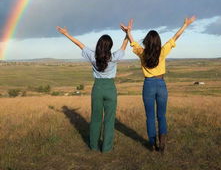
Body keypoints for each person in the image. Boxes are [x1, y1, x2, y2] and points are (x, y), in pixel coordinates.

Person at [120, 17, 196, 153]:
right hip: (161, 84)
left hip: (148, 84)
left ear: (147, 42)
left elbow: (133, 43)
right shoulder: (163, 51)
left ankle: (151, 143)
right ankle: (162, 142)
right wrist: (185, 25)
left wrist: (128, 32)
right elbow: (175, 37)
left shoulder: (142, 53)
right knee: (161, 115)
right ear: (158, 42)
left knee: (150, 116)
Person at [56, 24, 131, 152]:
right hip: (110, 89)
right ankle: (107, 148)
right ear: (110, 46)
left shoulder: (92, 56)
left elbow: (79, 44)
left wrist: (66, 34)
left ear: (99, 45)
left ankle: (94, 146)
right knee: (109, 119)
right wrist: (127, 33)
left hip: (97, 88)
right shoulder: (114, 57)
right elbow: (124, 45)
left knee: (96, 119)